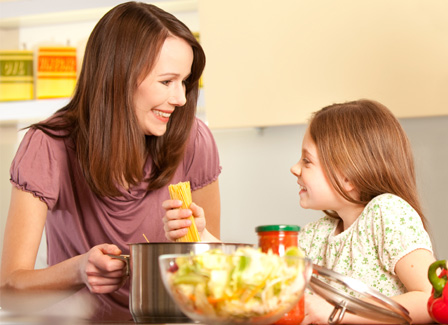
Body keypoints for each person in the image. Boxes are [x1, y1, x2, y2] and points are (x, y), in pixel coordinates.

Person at [1, 1, 221, 321]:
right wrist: (79, 269)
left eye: (185, 82)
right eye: (166, 81)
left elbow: (214, 280)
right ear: (119, 76)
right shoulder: (48, 146)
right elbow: (9, 291)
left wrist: (197, 240)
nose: (181, 98)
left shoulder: (194, 139)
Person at [164, 99, 435, 324]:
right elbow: (256, 275)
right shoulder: (316, 235)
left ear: (349, 178)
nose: (295, 168)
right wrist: (202, 234)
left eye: (307, 160)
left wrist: (335, 312)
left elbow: (431, 299)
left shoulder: (387, 213)